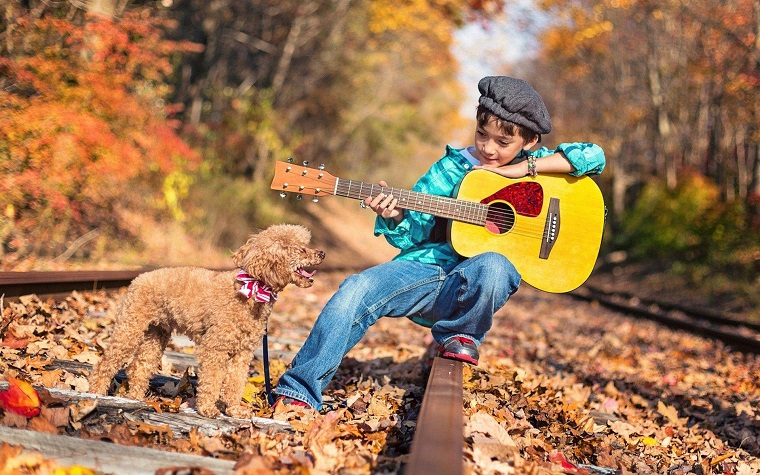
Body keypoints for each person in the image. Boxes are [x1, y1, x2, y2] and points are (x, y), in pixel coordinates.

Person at [272, 76, 606, 410]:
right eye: (482, 135)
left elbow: (594, 155)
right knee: (356, 288)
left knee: (495, 264)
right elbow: (412, 234)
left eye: (503, 142)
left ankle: (462, 334)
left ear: (529, 141)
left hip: (477, 281)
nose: (489, 148)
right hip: (427, 272)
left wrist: (523, 171)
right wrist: (395, 216)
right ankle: (298, 390)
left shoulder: (536, 169)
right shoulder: (450, 169)